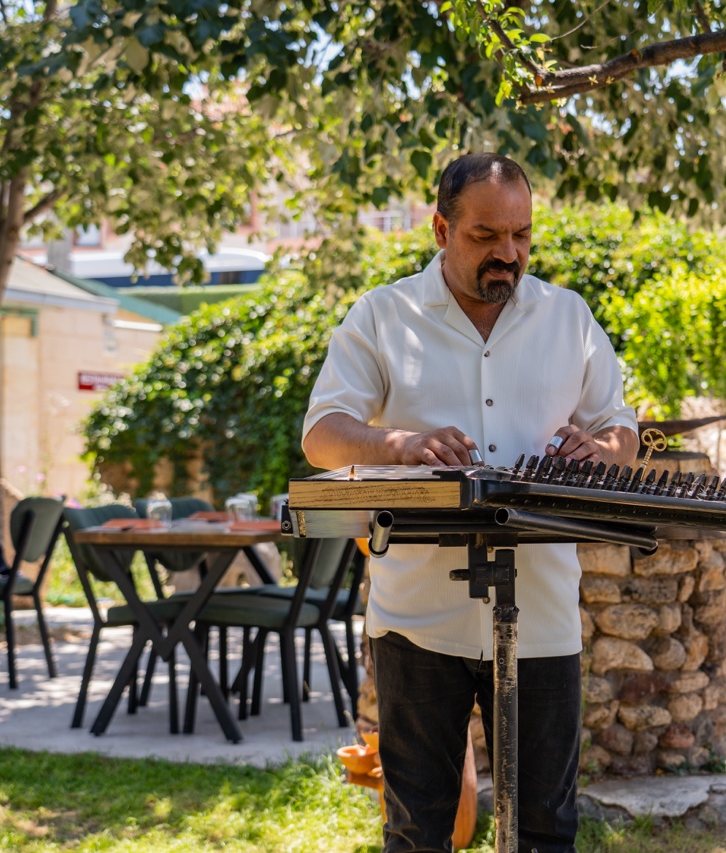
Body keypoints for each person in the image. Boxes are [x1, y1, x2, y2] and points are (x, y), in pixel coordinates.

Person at [303, 153, 638, 853]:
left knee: (547, 831)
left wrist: (606, 451)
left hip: (543, 617)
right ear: (440, 229)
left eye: (520, 235)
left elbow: (621, 424)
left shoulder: (567, 317)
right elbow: (322, 435)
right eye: (486, 236)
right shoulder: (382, 315)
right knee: (416, 829)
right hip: (417, 617)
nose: (508, 254)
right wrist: (398, 442)